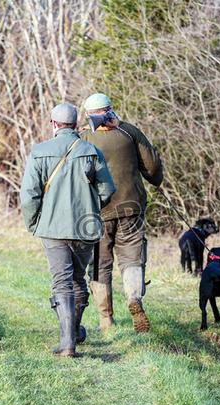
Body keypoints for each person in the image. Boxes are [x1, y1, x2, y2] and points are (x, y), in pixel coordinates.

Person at [20, 103, 115, 357]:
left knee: (62, 281)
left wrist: (33, 223)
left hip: (52, 228)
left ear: (53, 124)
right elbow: (107, 191)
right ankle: (73, 333)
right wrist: (90, 207)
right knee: (77, 280)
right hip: (84, 227)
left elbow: (29, 196)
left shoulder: (39, 151)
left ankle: (68, 342)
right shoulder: (91, 151)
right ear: (75, 125)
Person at [81, 93, 163, 333]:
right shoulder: (129, 132)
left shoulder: (83, 138)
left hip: (96, 212)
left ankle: (106, 320)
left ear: (89, 115)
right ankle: (134, 298)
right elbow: (153, 168)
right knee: (132, 258)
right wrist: (153, 177)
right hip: (131, 206)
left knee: (100, 263)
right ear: (110, 110)